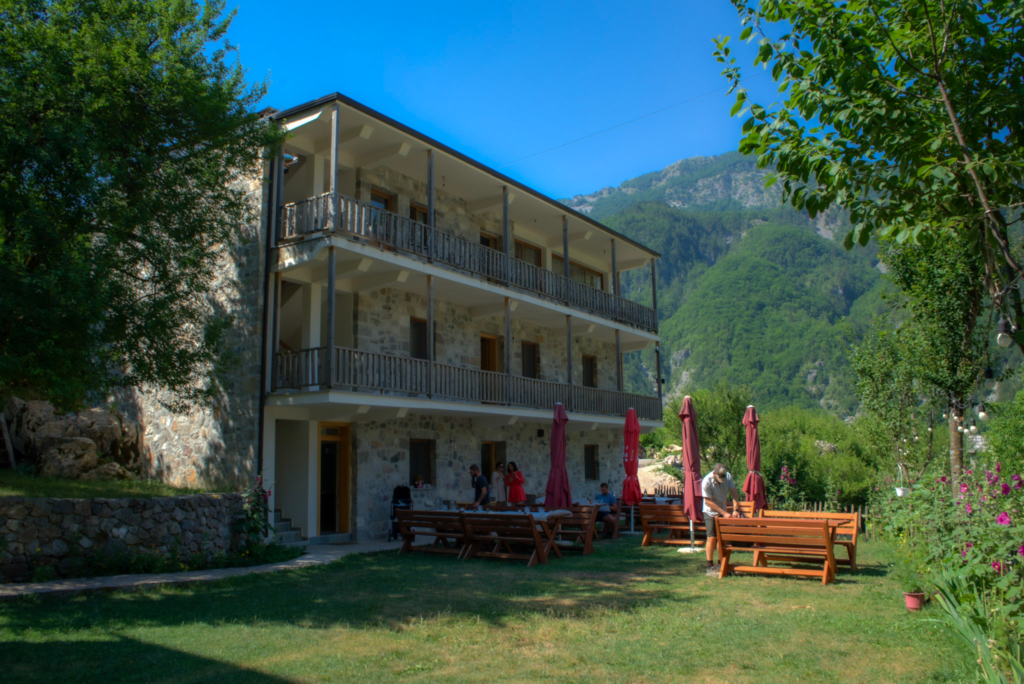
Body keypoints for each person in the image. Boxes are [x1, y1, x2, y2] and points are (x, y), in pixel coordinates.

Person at [702, 462, 742, 576]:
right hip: (710, 512)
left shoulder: (728, 477)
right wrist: (724, 513)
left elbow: (734, 494)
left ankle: (721, 564)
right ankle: (710, 565)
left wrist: (735, 510)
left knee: (722, 539)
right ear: (714, 473)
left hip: (722, 511)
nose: (721, 480)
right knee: (712, 537)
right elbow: (708, 501)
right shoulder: (706, 481)